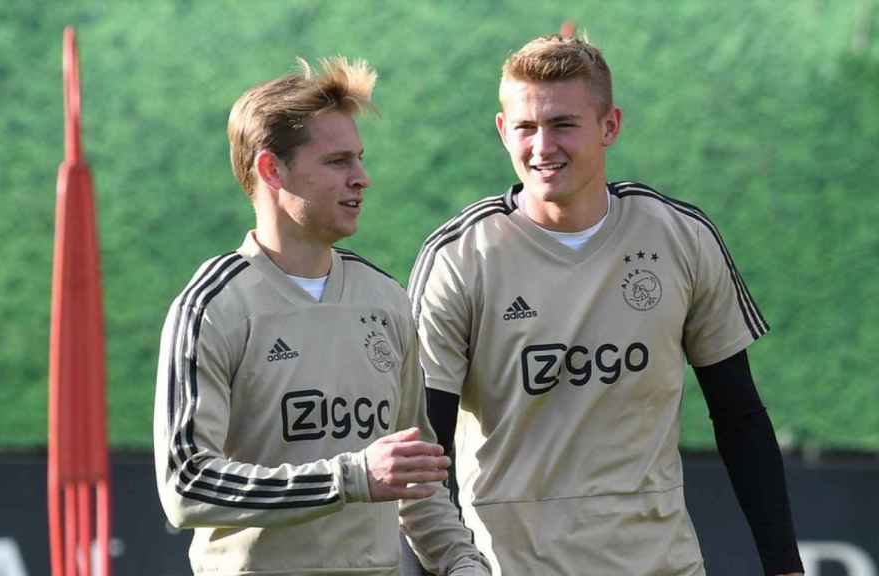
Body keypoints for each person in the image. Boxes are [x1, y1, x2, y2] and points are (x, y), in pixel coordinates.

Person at [406, 33, 804, 575]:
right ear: (503, 131)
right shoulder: (458, 257)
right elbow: (421, 457)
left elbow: (739, 416)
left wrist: (784, 566)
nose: (543, 147)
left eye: (563, 125)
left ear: (609, 126)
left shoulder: (678, 236)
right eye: (525, 127)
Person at [153, 56, 490, 576]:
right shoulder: (214, 306)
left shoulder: (384, 300)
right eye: (337, 162)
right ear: (272, 169)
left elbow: (415, 483)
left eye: (358, 158)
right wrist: (350, 477)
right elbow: (187, 484)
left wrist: (462, 563)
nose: (362, 179)